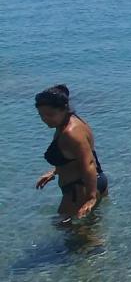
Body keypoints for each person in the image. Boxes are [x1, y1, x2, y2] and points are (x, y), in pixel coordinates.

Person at [34, 85, 108, 221]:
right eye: (41, 115)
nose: (44, 119)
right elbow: (74, 156)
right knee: (87, 230)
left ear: (64, 109)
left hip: (80, 189)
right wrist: (55, 171)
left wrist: (91, 197)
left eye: (50, 115)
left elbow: (89, 163)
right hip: (95, 181)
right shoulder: (73, 121)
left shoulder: (70, 133)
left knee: (66, 228)